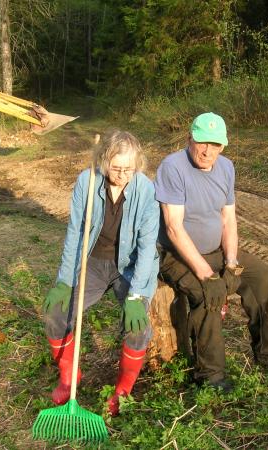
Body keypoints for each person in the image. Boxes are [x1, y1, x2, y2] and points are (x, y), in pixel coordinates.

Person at [154, 112, 268, 391]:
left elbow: (228, 219)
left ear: (223, 146)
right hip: (178, 256)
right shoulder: (172, 167)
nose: (207, 151)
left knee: (263, 277)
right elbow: (174, 228)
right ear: (190, 139)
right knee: (207, 294)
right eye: (202, 142)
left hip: (216, 251)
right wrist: (207, 275)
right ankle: (210, 375)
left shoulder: (226, 167)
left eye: (215, 144)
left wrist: (232, 263)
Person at [43, 130, 159, 415]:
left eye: (128, 170)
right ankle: (69, 376)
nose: (121, 175)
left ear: (137, 166)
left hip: (129, 266)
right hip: (93, 262)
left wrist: (136, 296)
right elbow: (75, 232)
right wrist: (64, 281)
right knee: (56, 313)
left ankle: (122, 390)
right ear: (104, 161)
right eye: (116, 168)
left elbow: (146, 248)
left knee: (138, 327)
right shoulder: (88, 181)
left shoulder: (145, 189)